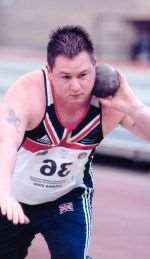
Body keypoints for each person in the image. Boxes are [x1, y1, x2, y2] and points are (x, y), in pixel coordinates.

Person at [0, 25, 150, 259]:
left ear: (94, 66)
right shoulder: (28, 94)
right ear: (50, 71)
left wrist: (134, 106)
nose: (76, 86)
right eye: (65, 77)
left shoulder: (109, 101)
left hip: (66, 198)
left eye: (83, 75)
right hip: (13, 199)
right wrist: (4, 192)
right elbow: (5, 143)